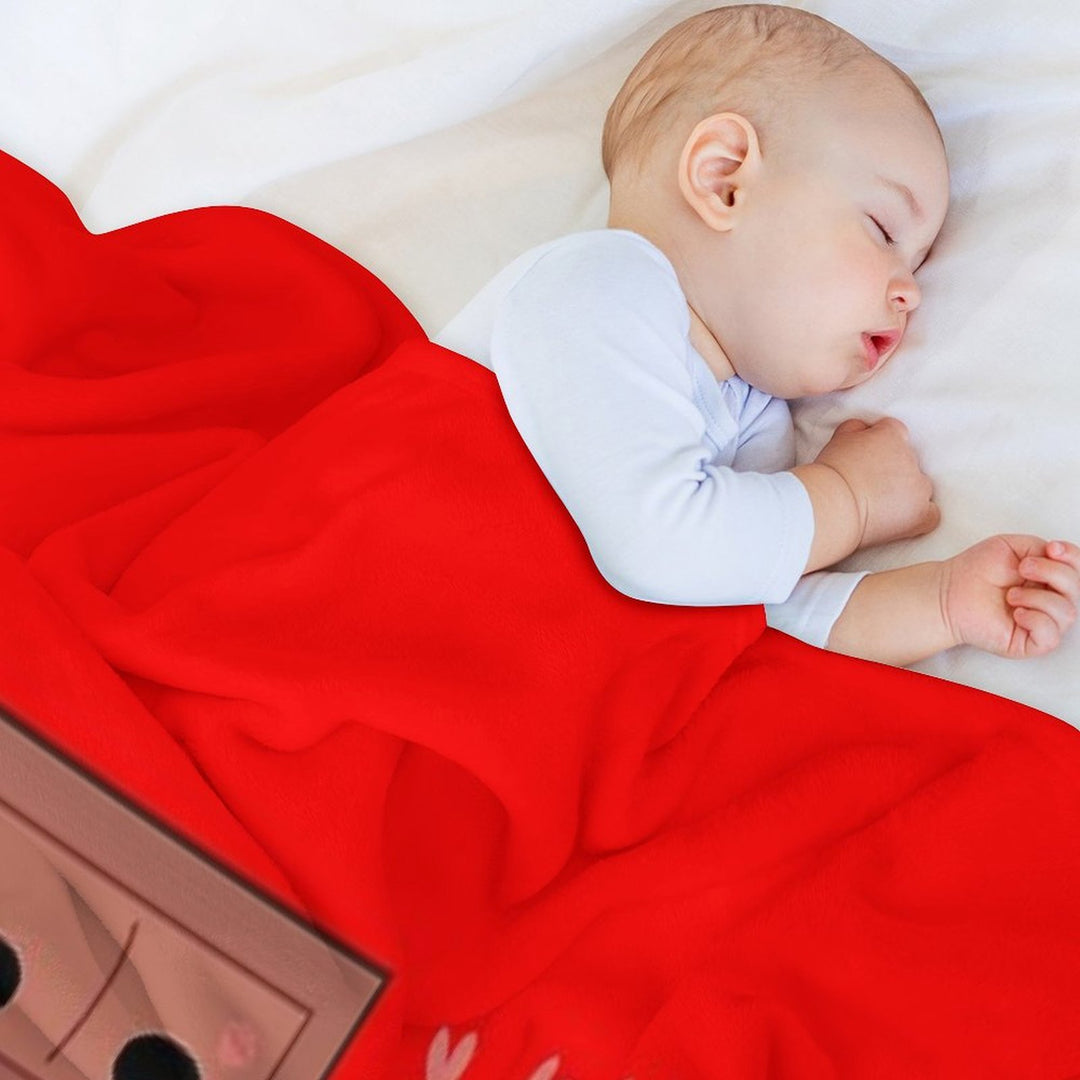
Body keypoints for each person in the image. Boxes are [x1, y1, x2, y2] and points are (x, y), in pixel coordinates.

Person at [434, 3, 1079, 668]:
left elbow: (752, 609)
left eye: (915, 263)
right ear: (725, 180)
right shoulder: (595, 282)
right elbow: (660, 547)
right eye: (884, 231)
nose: (910, 290)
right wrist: (848, 499)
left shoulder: (750, 412)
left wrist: (943, 602)